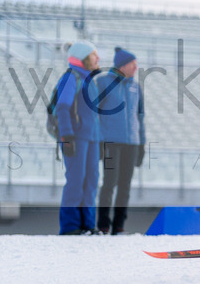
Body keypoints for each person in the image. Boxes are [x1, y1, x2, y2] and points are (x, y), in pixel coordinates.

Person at [95, 47, 146, 235]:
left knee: (125, 185)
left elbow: (140, 117)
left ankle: (119, 225)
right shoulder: (102, 82)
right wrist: (99, 141)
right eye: (133, 64)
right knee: (109, 183)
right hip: (110, 143)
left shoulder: (136, 87)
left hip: (131, 143)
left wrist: (142, 144)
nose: (136, 68)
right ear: (122, 65)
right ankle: (103, 224)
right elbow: (95, 113)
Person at [55, 40, 102, 235]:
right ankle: (71, 226)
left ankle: (88, 224)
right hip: (75, 138)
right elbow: (62, 108)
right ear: (83, 58)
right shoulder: (70, 78)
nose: (98, 58)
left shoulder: (90, 81)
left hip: (92, 138)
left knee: (91, 180)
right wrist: (66, 136)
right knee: (76, 180)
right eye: (93, 55)